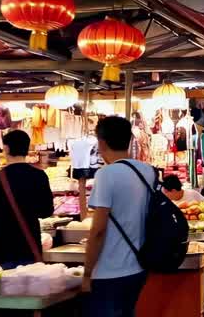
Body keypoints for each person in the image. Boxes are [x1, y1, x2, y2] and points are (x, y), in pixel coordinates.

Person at [83, 116, 158, 317]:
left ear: (102, 142)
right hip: (138, 267)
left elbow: (98, 230)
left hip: (109, 271)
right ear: (130, 140)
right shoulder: (147, 171)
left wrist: (87, 274)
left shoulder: (106, 175)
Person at [0, 129, 54, 269]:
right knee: (28, 285)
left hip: (0, 244)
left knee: (2, 286)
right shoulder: (39, 176)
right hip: (28, 244)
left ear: (6, 148)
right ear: (27, 148)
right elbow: (46, 211)